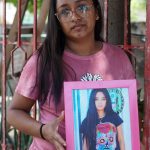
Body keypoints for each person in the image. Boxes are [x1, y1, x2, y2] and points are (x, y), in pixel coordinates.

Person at [7, 0, 135, 149]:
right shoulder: (44, 60)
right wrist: (43, 131)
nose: (75, 16)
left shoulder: (119, 58)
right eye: (65, 11)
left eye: (82, 7)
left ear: (97, 13)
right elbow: (13, 113)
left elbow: (128, 114)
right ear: (58, 20)